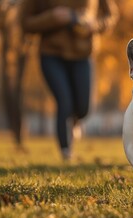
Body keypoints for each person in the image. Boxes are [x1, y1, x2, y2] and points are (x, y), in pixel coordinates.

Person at [19, 0, 118, 160]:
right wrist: (52, 17)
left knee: (83, 108)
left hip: (83, 54)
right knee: (64, 101)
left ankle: (74, 121)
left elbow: (111, 16)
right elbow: (25, 23)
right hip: (51, 54)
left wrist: (96, 25)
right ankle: (66, 151)